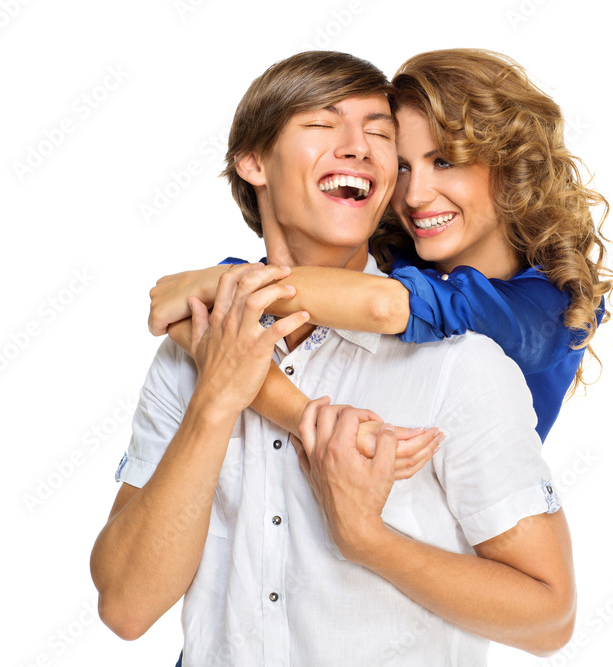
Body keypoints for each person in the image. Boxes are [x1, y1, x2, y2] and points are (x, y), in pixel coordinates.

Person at [90, 50, 575, 666]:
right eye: (322, 124)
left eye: (378, 133)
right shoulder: (190, 352)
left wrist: (365, 537)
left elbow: (550, 620)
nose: (359, 148)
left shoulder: (463, 358)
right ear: (253, 162)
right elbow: (125, 609)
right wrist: (216, 400)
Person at [148, 48, 613, 446]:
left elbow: (384, 306)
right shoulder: (390, 254)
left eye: (444, 161)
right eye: (404, 166)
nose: (414, 197)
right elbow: (205, 323)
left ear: (511, 167)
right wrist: (304, 417)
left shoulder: (558, 305)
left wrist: (219, 283)